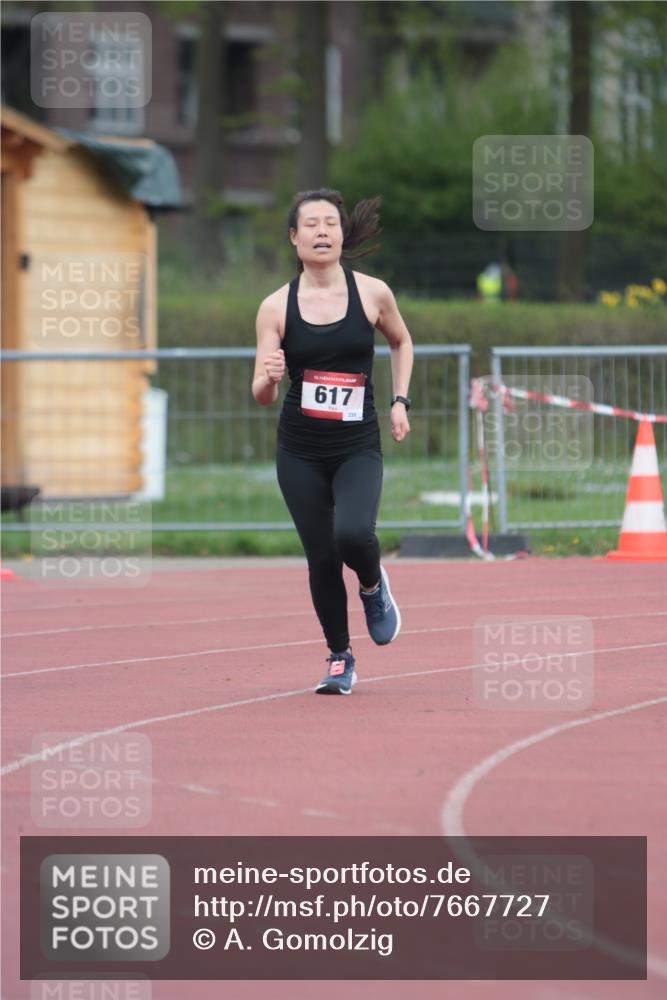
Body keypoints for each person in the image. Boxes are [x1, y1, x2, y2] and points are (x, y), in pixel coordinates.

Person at [252, 188, 414, 695]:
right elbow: (260, 393)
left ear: (342, 235)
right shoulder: (275, 307)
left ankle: (372, 585)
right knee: (321, 556)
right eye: (312, 225)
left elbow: (401, 341)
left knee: (353, 535)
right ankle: (340, 656)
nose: (322, 232)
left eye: (331, 223)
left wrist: (400, 400)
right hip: (299, 448)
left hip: (356, 444)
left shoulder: (372, 293)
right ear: (294, 238)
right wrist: (271, 379)